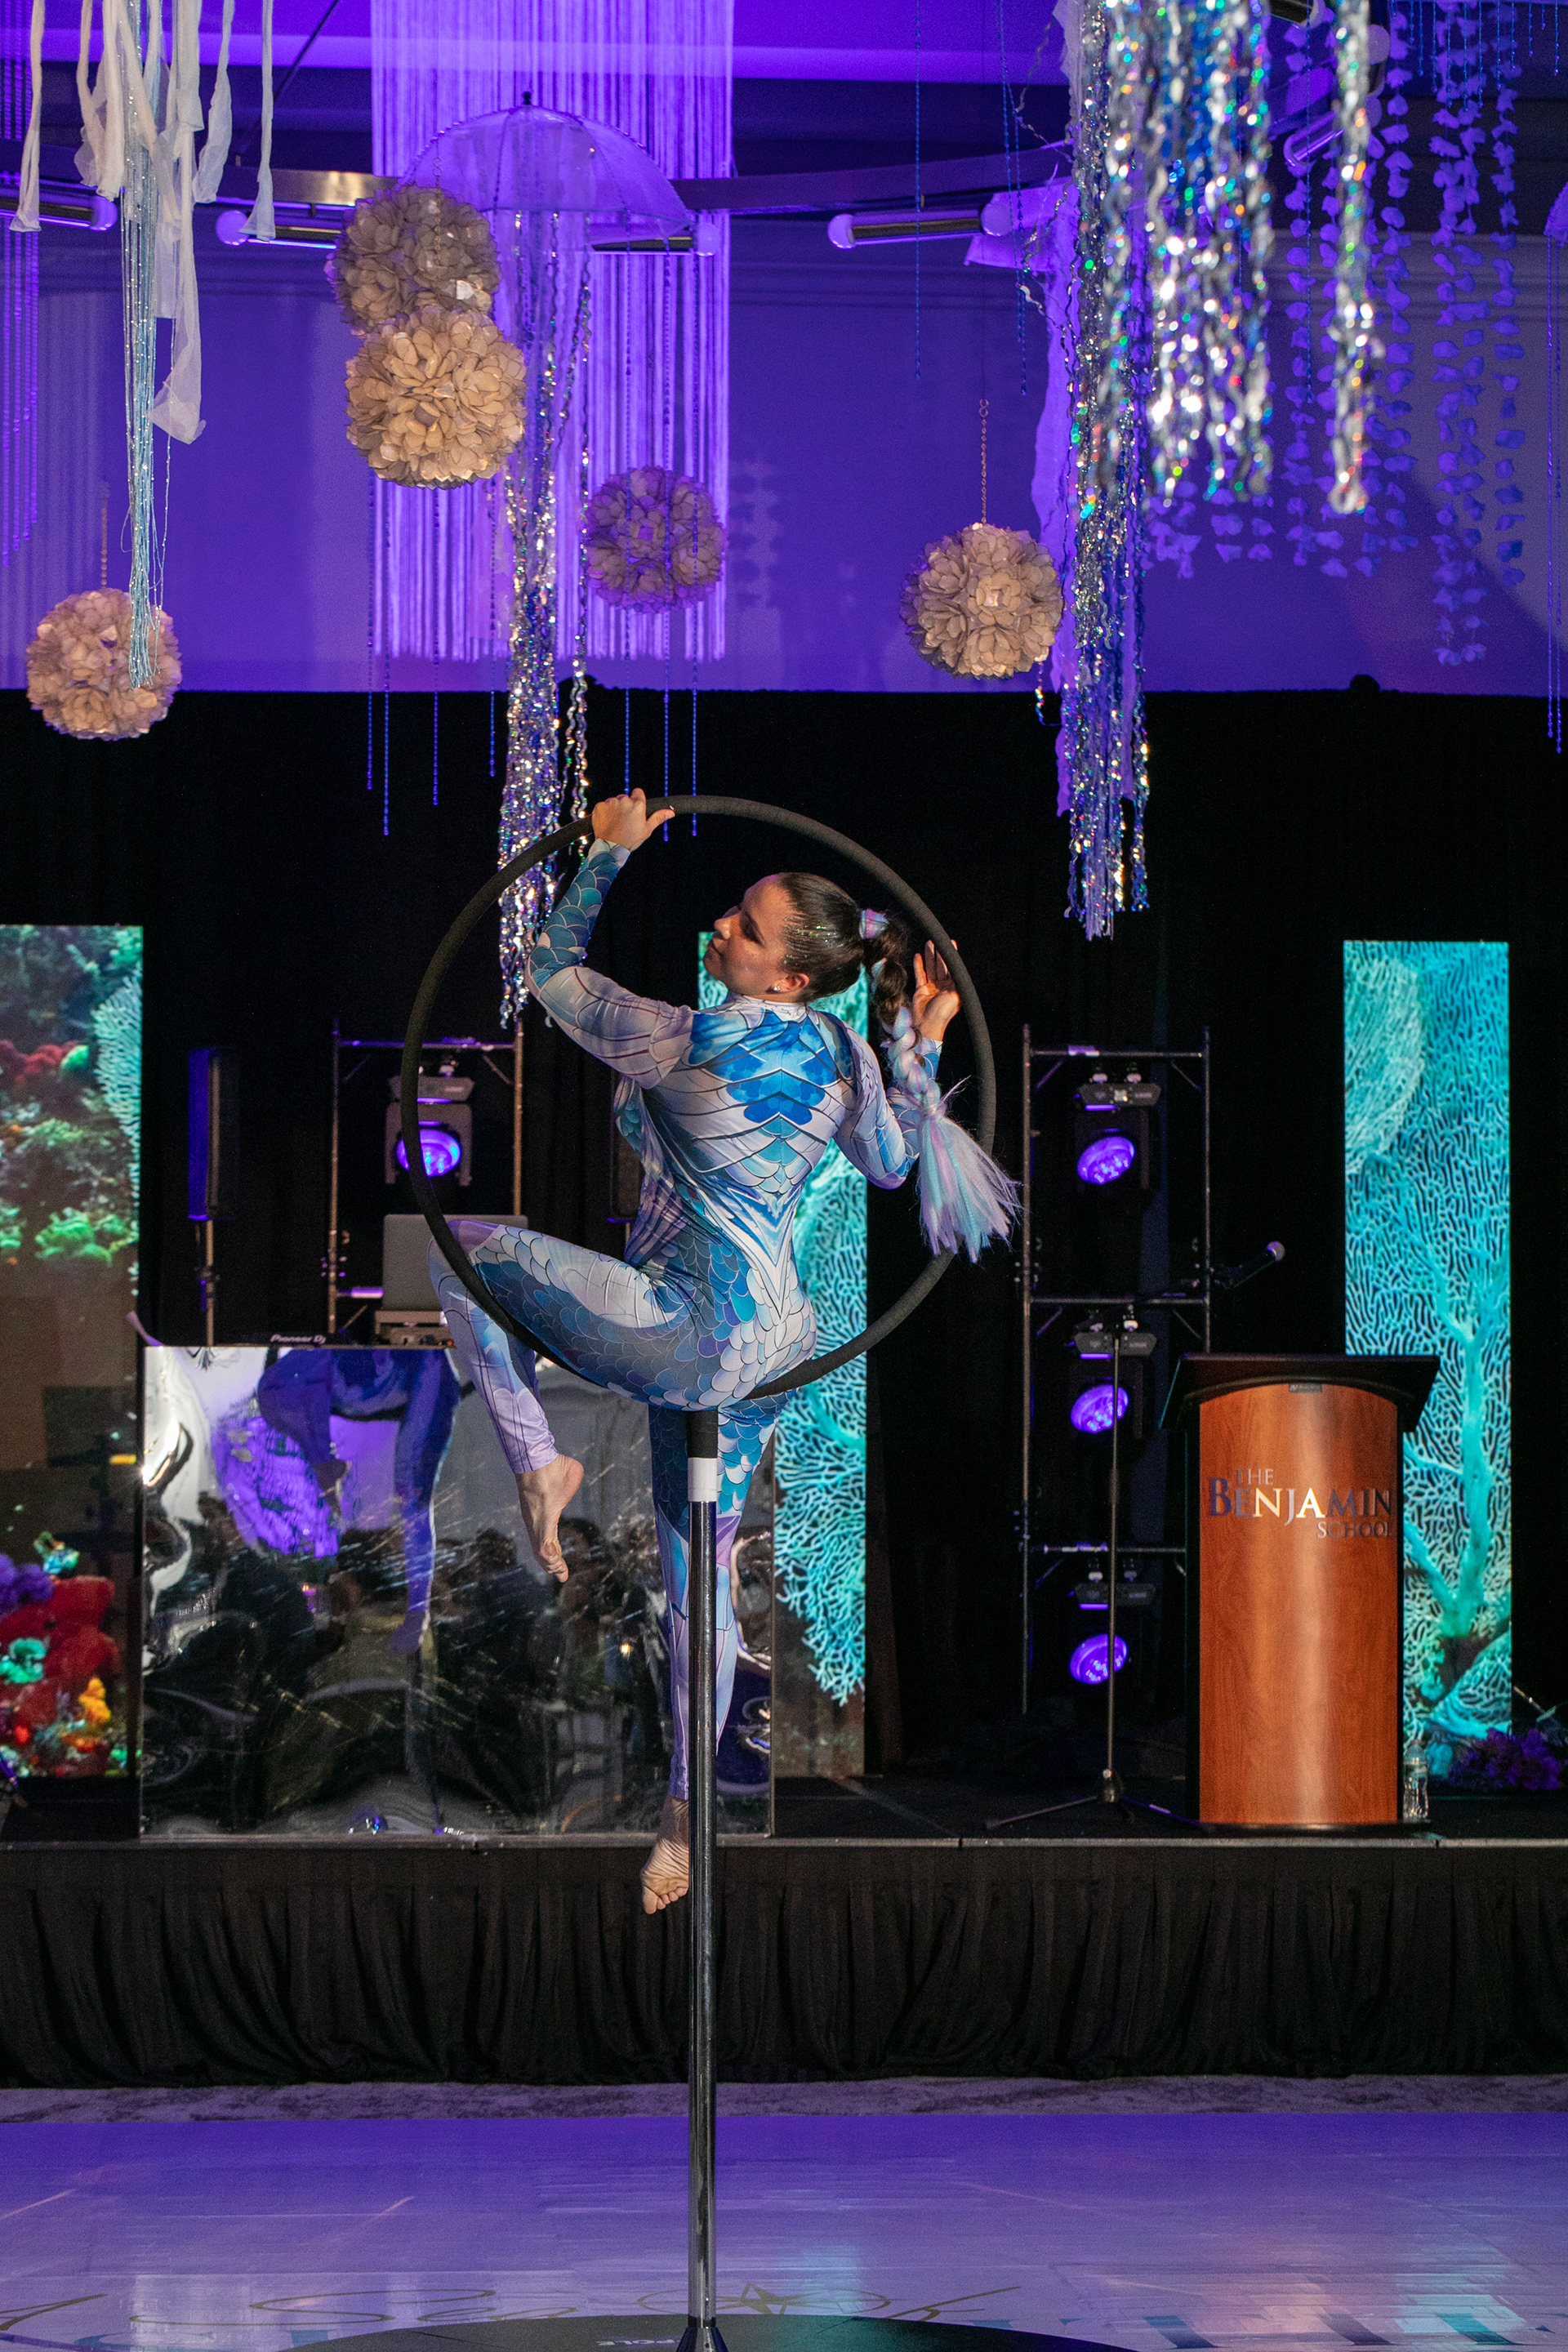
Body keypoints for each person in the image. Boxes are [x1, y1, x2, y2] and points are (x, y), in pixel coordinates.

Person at [432, 787, 1015, 1911]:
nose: (718, 927)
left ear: (787, 976)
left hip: (691, 1334)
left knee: (458, 1253)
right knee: (698, 1590)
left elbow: (549, 974)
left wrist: (606, 857)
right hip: (772, 1350)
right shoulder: (844, 1051)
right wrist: (919, 1042)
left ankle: (537, 1459)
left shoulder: (686, 1036)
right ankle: (683, 1822)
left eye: (743, 927)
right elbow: (894, 1165)